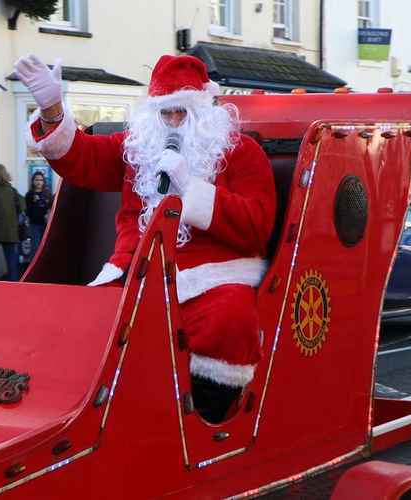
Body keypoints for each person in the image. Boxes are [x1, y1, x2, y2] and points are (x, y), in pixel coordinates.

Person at [15, 54, 276, 423]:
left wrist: (194, 191)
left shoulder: (241, 154)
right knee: (82, 321)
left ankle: (204, 424)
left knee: (229, 318)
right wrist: (53, 111)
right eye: (164, 114)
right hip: (135, 270)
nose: (171, 123)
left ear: (203, 113)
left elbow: (257, 225)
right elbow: (81, 158)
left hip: (211, 276)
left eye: (181, 114)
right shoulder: (138, 150)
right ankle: (84, 418)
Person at [25, 171, 53, 255]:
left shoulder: (47, 193)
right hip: (34, 224)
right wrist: (34, 202)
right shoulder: (29, 194)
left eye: (41, 180)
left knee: (46, 247)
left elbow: (51, 208)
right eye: (36, 180)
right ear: (33, 181)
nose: (38, 182)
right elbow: (27, 211)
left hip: (46, 224)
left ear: (43, 182)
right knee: (35, 247)